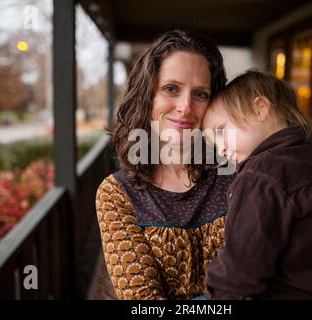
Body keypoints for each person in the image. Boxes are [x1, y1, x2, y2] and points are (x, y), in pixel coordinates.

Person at [202, 69, 312, 299]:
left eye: (220, 131)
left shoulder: (259, 178)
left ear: (260, 109)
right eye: (212, 142)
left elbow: (241, 270)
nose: (220, 148)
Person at [95, 30, 234, 300]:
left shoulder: (236, 175)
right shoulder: (116, 194)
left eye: (201, 94)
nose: (185, 107)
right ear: (147, 96)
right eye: (171, 89)